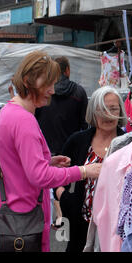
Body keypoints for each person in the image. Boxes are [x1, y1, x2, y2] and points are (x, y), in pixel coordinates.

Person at [0, 51, 101, 252]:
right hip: (23, 224)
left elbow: (11, 164)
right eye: (48, 83)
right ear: (27, 80)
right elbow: (39, 176)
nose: (52, 90)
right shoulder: (24, 120)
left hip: (6, 220)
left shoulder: (4, 115)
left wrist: (47, 161)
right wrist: (85, 171)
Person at [54, 86, 126, 252]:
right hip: (79, 229)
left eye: (113, 108)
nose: (108, 114)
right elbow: (58, 176)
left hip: (115, 233)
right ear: (93, 112)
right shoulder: (77, 141)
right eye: (102, 109)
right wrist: (64, 197)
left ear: (120, 111)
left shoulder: (128, 144)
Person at [34, 56, 88, 229]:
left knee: (51, 184)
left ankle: (58, 216)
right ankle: (70, 215)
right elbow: (84, 123)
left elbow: (35, 119)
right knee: (72, 183)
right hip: (72, 148)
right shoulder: (79, 92)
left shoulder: (44, 94)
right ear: (67, 70)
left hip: (47, 148)